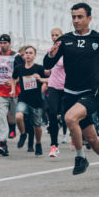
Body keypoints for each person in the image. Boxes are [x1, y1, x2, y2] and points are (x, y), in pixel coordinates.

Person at [43, 2, 99, 181]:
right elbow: (48, 66)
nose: (76, 20)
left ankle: (80, 157)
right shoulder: (65, 39)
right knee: (92, 138)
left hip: (91, 93)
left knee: (70, 118)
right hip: (69, 93)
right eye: (74, 17)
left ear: (89, 18)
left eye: (80, 17)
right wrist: (51, 55)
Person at [12, 45, 48, 156]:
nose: (28, 55)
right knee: (18, 116)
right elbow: (13, 79)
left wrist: (41, 86)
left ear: (34, 55)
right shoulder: (19, 68)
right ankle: (23, 134)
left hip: (36, 100)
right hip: (23, 98)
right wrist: (13, 90)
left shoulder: (39, 68)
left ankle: (38, 143)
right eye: (26, 53)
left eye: (30, 53)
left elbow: (47, 81)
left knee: (37, 126)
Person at [45, 28, 66, 157]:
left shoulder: (67, 51)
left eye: (57, 35)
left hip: (66, 86)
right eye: (52, 35)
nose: (54, 37)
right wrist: (47, 70)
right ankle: (54, 145)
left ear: (61, 36)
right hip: (53, 85)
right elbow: (47, 66)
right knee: (52, 113)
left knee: (66, 116)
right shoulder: (50, 50)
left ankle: (77, 138)